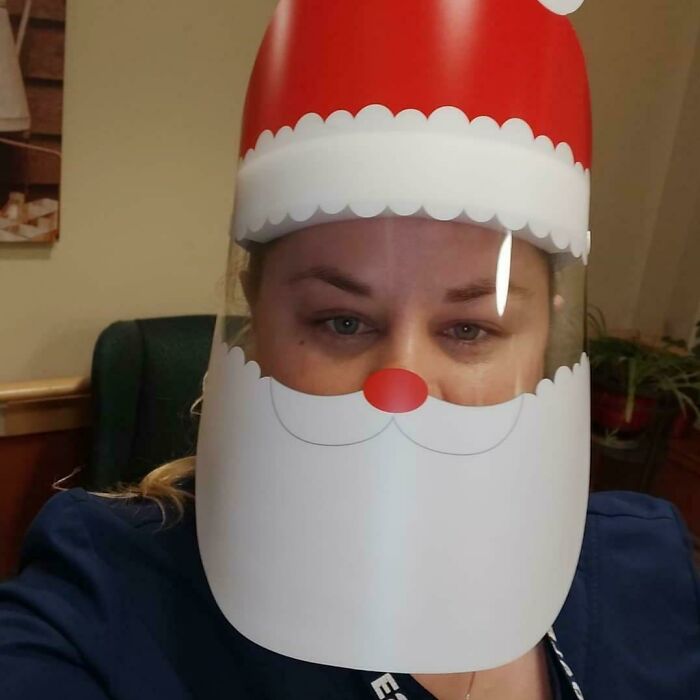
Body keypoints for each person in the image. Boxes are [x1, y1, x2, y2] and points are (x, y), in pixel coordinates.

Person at [2, 1, 700, 699]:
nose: (401, 387)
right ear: (257, 314)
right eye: (341, 322)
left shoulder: (641, 563)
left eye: (469, 329)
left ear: (545, 334)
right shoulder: (111, 588)